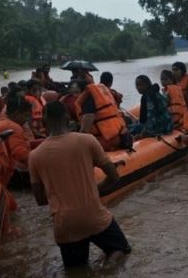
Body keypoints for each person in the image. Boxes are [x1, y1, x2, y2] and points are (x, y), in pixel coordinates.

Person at [28, 101, 131, 268]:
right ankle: (107, 269)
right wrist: (95, 189)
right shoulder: (87, 141)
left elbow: (40, 200)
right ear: (68, 116)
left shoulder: (34, 156)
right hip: (94, 216)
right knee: (121, 250)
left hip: (65, 225)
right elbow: (114, 177)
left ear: (44, 121)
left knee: (77, 270)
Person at [75, 77, 131, 151]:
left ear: (82, 91)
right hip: (119, 136)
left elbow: (85, 130)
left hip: (106, 141)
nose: (74, 95)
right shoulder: (99, 97)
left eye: (76, 92)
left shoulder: (87, 102)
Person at [0, 92, 33, 187]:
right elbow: (21, 155)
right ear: (16, 114)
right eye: (26, 116)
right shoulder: (12, 127)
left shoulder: (1, 122)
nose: (27, 120)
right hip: (8, 176)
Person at [129, 75, 173, 139]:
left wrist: (142, 134)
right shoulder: (155, 92)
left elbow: (151, 118)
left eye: (141, 85)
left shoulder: (149, 96)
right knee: (134, 126)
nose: (138, 87)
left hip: (161, 127)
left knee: (130, 130)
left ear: (147, 84)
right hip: (167, 124)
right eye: (137, 85)